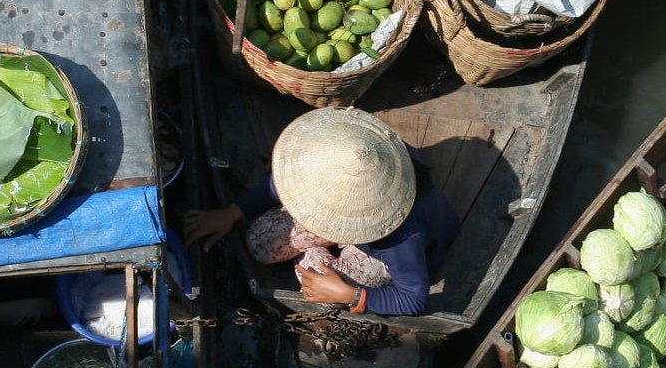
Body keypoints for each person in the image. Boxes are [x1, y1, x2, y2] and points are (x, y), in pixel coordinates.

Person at [183, 108, 459, 316]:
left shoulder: (400, 236)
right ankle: (327, 251)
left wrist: (353, 296)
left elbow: (413, 298)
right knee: (259, 243)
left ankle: (333, 260)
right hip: (358, 219)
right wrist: (233, 211)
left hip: (380, 250)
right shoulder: (354, 150)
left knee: (316, 281)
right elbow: (288, 181)